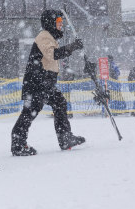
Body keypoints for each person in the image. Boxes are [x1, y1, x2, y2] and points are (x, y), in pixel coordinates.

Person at [11, 9, 85, 156]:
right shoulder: (44, 36)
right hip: (37, 83)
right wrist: (72, 47)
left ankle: (65, 137)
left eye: (62, 23)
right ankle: (18, 144)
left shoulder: (51, 37)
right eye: (58, 22)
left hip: (44, 82)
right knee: (30, 113)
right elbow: (53, 55)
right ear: (50, 23)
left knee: (58, 103)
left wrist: (70, 48)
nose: (61, 25)